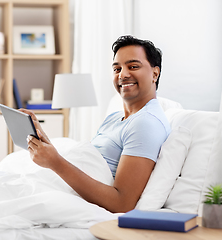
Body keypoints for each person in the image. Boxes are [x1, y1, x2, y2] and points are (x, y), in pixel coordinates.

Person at [20, 35, 171, 213]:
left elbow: (122, 203)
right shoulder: (115, 118)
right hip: (57, 188)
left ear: (155, 73)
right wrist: (45, 145)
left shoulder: (146, 124)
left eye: (133, 66)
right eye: (117, 69)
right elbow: (89, 164)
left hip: (68, 200)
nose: (122, 74)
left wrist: (55, 162)